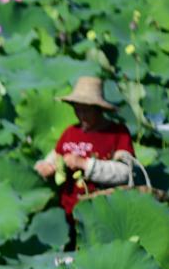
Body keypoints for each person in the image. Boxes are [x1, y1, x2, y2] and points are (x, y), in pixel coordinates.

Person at [34, 77, 137, 219]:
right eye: (78, 109)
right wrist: (45, 167)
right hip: (67, 212)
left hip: (103, 212)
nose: (81, 115)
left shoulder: (117, 133)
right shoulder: (70, 132)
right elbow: (52, 159)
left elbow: (126, 172)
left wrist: (84, 164)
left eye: (87, 111)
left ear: (99, 109)